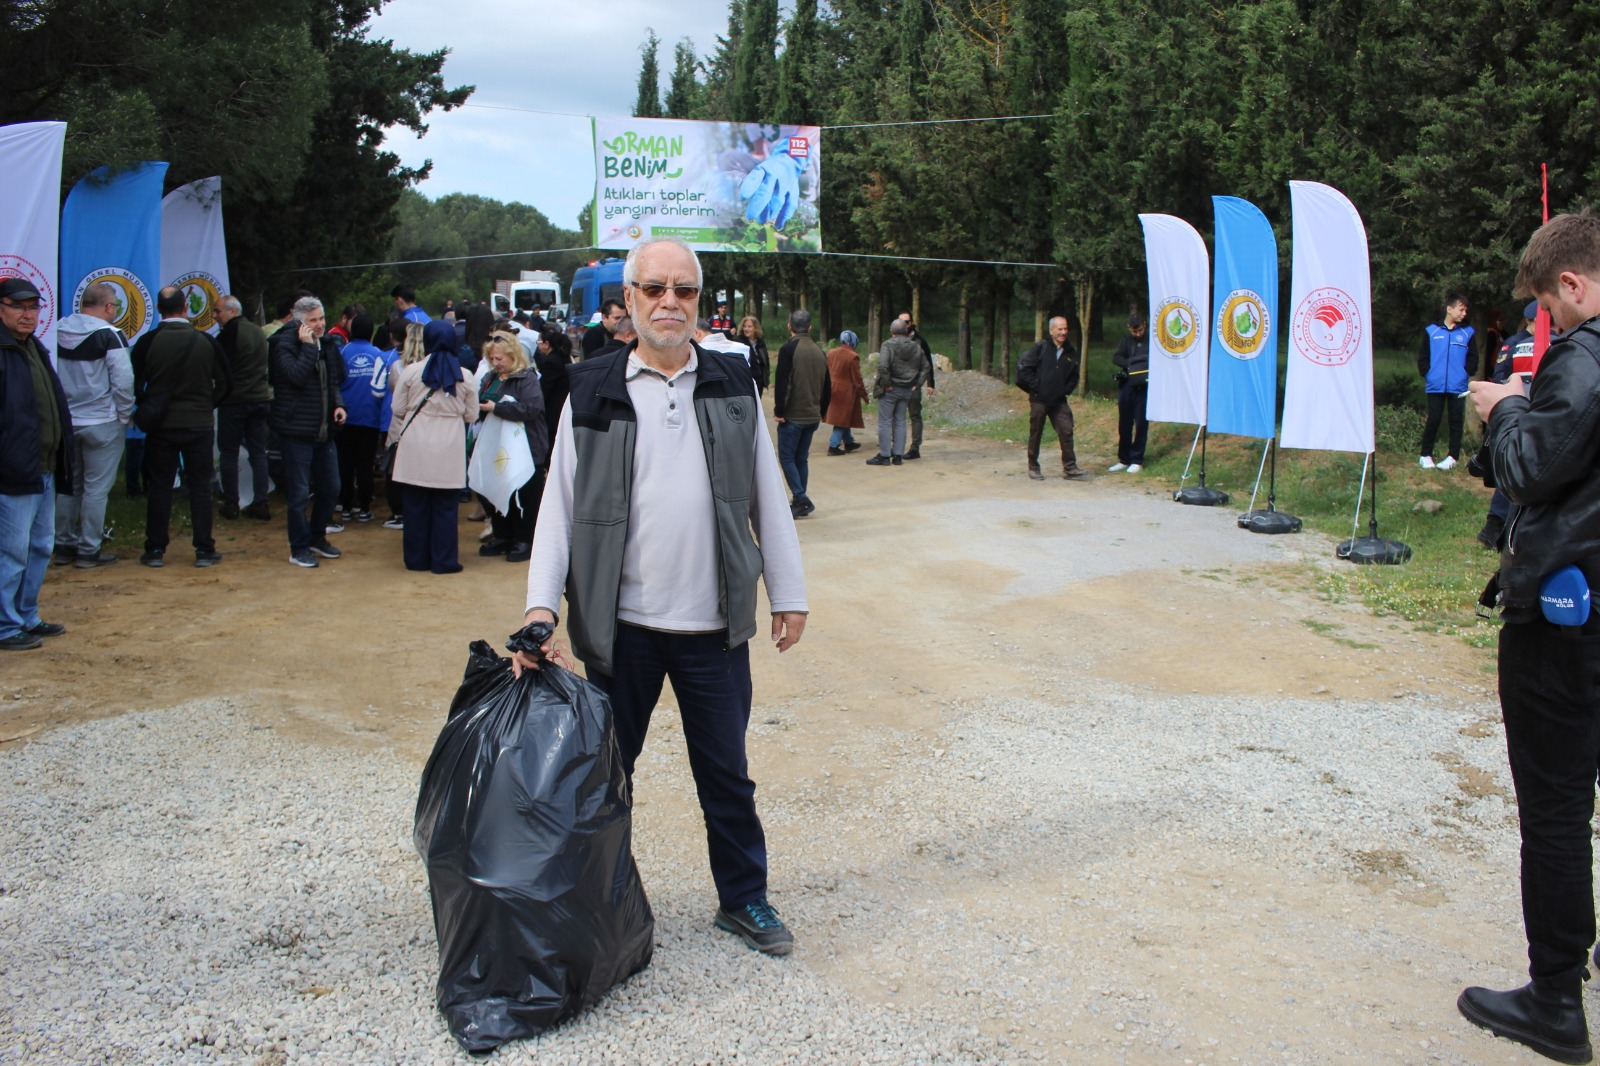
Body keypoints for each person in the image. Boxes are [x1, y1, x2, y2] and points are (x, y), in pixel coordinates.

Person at [515, 236, 808, 956]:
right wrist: (539, 608)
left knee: (727, 777)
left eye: (683, 290)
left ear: (698, 301)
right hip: (622, 632)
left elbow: (768, 493)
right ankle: (595, 909)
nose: (669, 302)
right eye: (654, 289)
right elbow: (559, 506)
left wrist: (787, 593)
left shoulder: (734, 383)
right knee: (604, 781)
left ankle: (744, 900)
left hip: (713, 627)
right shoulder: (592, 386)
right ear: (629, 299)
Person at [1461, 211, 1600, 1065]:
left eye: (1552, 301)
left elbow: (1529, 468)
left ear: (1574, 283)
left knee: (1555, 809)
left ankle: (1554, 999)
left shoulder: (1582, 362)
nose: (1552, 318)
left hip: (1566, 616)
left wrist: (1506, 408)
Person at [130, 286, 231, 568]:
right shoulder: (206, 342)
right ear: (185, 307)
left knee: (160, 485)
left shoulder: (147, 343)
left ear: (160, 309)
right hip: (198, 425)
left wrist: (150, 404)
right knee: (200, 485)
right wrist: (207, 404)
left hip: (161, 426)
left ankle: (154, 549)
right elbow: (225, 383)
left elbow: (134, 384)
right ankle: (204, 548)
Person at [0, 277, 73, 650]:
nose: (27, 315)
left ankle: (26, 615)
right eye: (18, 307)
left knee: (40, 547)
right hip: (14, 471)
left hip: (43, 466)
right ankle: (4, 624)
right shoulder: (4, 350)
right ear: (1, 308)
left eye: (33, 308)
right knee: (11, 551)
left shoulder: (34, 348)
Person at [52, 282, 133, 568]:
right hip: (103, 421)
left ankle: (63, 545)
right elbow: (123, 381)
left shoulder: (58, 329)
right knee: (96, 489)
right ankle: (89, 549)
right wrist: (125, 415)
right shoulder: (111, 336)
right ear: (109, 307)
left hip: (67, 421)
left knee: (69, 485)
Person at [391, 319, 477, 574]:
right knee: (445, 508)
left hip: (415, 444)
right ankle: (444, 560)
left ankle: (416, 559)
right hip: (449, 445)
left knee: (415, 505)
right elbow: (471, 415)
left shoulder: (411, 371)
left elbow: (397, 409)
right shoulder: (465, 376)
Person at [269, 295, 347, 568]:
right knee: (300, 493)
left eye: (322, 318)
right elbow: (295, 377)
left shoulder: (325, 343)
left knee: (331, 487)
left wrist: (338, 404)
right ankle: (298, 546)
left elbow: (334, 379)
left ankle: (317, 536)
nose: (319, 325)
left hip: (325, 429)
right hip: (296, 431)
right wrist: (307, 348)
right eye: (313, 320)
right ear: (299, 321)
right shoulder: (283, 343)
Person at [475, 331, 549, 563]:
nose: (496, 364)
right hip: (497, 447)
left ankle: (525, 538)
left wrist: (495, 408)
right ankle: (503, 534)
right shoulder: (490, 377)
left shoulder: (526, 378)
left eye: (500, 359)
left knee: (527, 495)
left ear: (512, 356)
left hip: (527, 447)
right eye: (493, 359)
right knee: (498, 490)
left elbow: (532, 408)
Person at [1477, 301, 1538, 550]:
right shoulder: (1512, 344)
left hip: (1537, 413)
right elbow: (1500, 376)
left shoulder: (1557, 341)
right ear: (1530, 320)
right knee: (1511, 469)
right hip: (1519, 413)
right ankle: (1495, 527)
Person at [215, 294, 273, 521]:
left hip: (235, 401)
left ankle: (231, 504)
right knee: (259, 453)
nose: (215, 316)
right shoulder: (258, 331)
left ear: (232, 311)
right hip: (260, 398)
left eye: (218, 311)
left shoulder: (230, 333)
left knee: (228, 452)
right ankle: (262, 502)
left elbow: (219, 365)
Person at [772, 309, 831, 518]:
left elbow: (783, 383)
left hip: (793, 415)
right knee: (801, 459)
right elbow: (827, 386)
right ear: (810, 327)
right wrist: (822, 410)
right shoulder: (819, 351)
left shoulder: (789, 349)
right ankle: (800, 500)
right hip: (813, 415)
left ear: (790, 326)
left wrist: (779, 410)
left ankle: (800, 497)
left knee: (787, 458)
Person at [1016, 315, 1089, 481]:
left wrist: (1065, 390)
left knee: (1066, 430)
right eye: (1060, 329)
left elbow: (1074, 376)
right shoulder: (1040, 347)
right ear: (1051, 330)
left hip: (1059, 401)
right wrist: (1037, 388)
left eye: (1065, 329)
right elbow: (1025, 369)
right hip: (1039, 400)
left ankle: (1070, 467)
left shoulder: (1070, 351)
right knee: (1036, 433)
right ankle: (1033, 466)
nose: (1063, 332)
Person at [336, 314, 386, 523]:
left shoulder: (342, 352)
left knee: (345, 464)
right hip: (369, 418)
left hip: (345, 418)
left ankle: (346, 507)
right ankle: (365, 508)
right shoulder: (379, 355)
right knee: (365, 465)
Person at [1418, 293, 1476, 469]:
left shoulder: (1468, 333)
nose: (1464, 313)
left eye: (1466, 310)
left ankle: (1452, 456)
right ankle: (1425, 455)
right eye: (1461, 309)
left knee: (1456, 420)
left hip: (1457, 385)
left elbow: (1473, 358)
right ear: (1449, 309)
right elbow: (1423, 357)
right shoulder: (1431, 331)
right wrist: (1428, 373)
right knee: (1434, 419)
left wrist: (1465, 373)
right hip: (1435, 384)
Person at [379, 320, 425, 530]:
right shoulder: (429, 369)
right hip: (423, 429)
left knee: (395, 472)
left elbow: (393, 398)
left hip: (400, 428)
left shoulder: (397, 367)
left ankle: (398, 513)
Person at [866, 318, 923, 467]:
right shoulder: (916, 347)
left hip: (890, 389)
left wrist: (887, 384)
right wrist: (917, 384)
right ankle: (898, 455)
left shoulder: (887, 345)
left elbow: (883, 366)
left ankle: (884, 455)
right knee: (900, 421)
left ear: (892, 331)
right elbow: (925, 367)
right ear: (906, 331)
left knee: (885, 421)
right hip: (906, 389)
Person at [1108, 312, 1150, 473]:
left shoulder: (1150, 341)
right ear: (1129, 328)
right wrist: (1131, 365)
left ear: (1144, 325)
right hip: (1127, 386)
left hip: (1143, 387)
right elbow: (1116, 357)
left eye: (1139, 330)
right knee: (1124, 424)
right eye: (1134, 331)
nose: (1137, 334)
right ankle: (1124, 458)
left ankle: (1137, 459)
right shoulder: (1126, 341)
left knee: (1141, 424)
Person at [895, 313, 934, 460]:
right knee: (897, 415)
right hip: (897, 383)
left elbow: (927, 363)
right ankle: (895, 446)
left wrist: (930, 383)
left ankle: (915, 447)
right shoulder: (894, 339)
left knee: (915, 415)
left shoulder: (919, 341)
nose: (903, 324)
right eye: (900, 321)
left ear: (911, 322)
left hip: (913, 384)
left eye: (906, 321)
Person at [824, 330, 867, 455]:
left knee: (843, 417)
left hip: (831, 389)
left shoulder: (831, 353)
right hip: (846, 393)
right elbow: (857, 379)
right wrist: (864, 394)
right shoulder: (852, 356)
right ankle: (833, 445)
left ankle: (848, 442)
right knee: (842, 418)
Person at [533, 325, 572, 446]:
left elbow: (545, 389)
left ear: (546, 344)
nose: (537, 346)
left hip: (553, 410)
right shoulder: (564, 357)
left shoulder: (549, 362)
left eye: (538, 342)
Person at [738, 315, 771, 395]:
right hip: (745, 382)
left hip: (759, 382)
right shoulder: (738, 342)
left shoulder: (761, 343)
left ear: (755, 328)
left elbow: (765, 362)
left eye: (749, 326)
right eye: (744, 326)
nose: (746, 329)